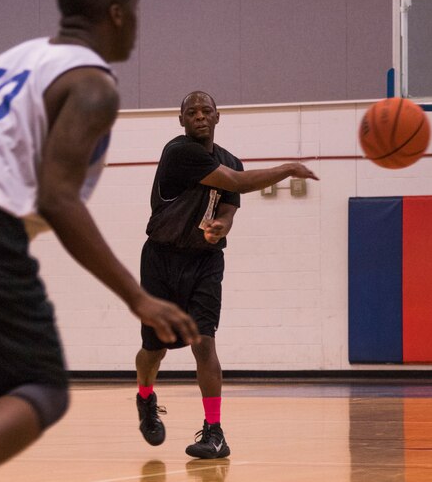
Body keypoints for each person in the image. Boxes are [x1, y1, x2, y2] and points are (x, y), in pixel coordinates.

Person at [0, 0, 200, 482]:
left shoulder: (17, 57)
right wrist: (137, 296)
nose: (136, 18)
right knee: (41, 386)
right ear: (115, 13)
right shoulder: (92, 85)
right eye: (134, 7)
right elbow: (59, 198)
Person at [133, 90, 318, 459]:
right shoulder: (179, 152)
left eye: (206, 110)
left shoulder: (231, 158)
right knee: (154, 350)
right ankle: (145, 397)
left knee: (204, 342)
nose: (199, 116)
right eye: (192, 112)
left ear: (218, 116)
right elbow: (234, 182)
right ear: (181, 120)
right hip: (162, 259)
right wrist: (286, 168)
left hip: (204, 260)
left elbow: (230, 207)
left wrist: (222, 226)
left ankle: (214, 432)